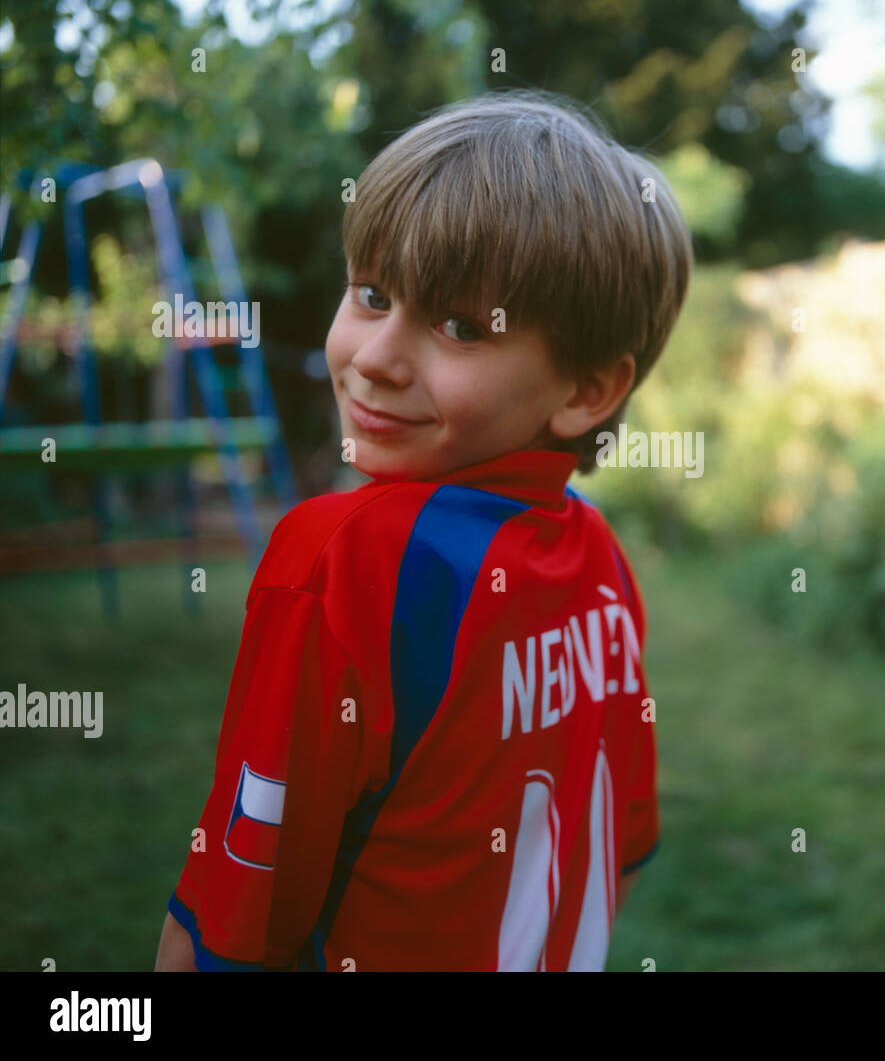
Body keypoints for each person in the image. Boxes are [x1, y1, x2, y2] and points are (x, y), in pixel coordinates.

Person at [153, 89, 693, 970]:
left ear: (586, 391)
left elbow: (232, 923)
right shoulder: (597, 554)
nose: (373, 357)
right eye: (371, 294)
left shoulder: (345, 556)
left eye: (459, 327)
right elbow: (619, 855)